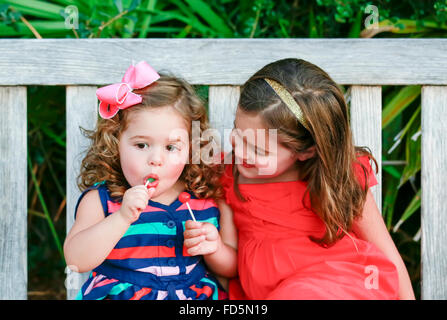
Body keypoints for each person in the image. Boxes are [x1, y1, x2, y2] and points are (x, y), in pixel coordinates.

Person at [218, 58, 415, 299]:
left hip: (341, 284)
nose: (241, 151)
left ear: (306, 151)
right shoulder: (230, 175)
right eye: (237, 133)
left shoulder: (340, 176)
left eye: (259, 150)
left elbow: (387, 252)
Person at [63, 61, 237, 300]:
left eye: (171, 147)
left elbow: (231, 269)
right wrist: (122, 217)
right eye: (141, 145)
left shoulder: (204, 198)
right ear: (116, 142)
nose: (156, 159)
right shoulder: (103, 201)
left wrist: (214, 248)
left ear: (191, 148)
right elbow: (76, 260)